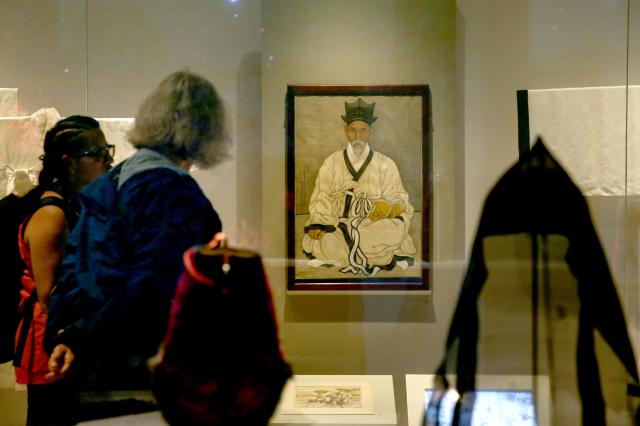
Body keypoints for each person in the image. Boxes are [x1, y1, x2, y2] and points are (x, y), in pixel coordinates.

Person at [43, 71, 228, 422]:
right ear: (206, 130)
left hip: (88, 371)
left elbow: (72, 270)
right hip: (137, 375)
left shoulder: (114, 180)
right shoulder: (170, 190)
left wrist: (64, 336)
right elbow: (153, 286)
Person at [14, 115, 113, 425]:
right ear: (69, 162)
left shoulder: (72, 205)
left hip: (68, 343)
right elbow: (52, 298)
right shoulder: (52, 214)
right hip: (53, 347)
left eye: (107, 151)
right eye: (97, 154)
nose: (107, 161)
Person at [302, 98, 417, 276]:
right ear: (345, 132)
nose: (358, 136)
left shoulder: (385, 163)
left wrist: (391, 208)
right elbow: (321, 194)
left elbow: (400, 198)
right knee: (326, 240)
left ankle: (351, 252)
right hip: (340, 224)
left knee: (392, 229)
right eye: (353, 130)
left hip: (375, 225)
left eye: (363, 131)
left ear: (371, 132)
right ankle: (373, 254)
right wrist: (319, 222)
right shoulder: (332, 162)